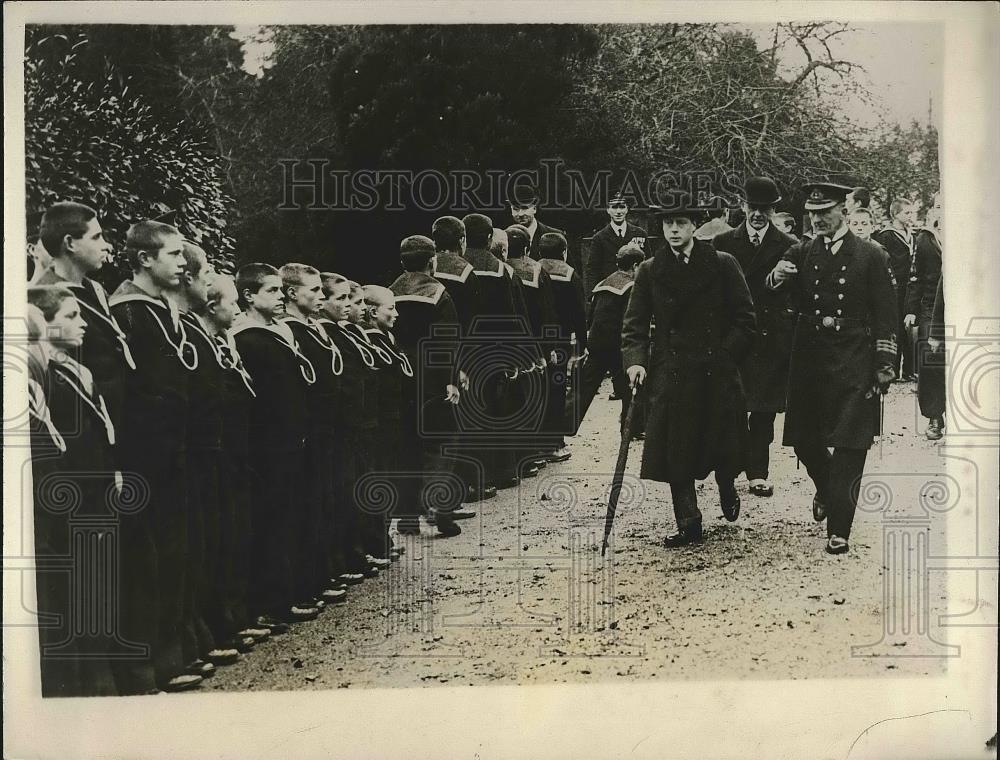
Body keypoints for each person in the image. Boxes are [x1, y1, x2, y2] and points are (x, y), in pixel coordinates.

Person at [767, 181, 898, 556]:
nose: (818, 219)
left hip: (854, 354)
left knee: (850, 442)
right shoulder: (802, 250)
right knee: (805, 438)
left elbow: (886, 312)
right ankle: (826, 488)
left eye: (825, 212)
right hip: (809, 356)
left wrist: (885, 361)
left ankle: (840, 528)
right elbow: (772, 290)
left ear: (843, 210)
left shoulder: (872, 254)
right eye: (812, 213)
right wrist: (778, 277)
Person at [622, 194, 755, 548]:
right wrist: (635, 360)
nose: (674, 230)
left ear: (694, 226)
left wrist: (726, 355)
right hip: (673, 370)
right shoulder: (651, 270)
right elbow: (634, 325)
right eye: (668, 224)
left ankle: (727, 487)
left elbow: (746, 319)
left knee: (723, 443)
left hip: (716, 369)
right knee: (674, 447)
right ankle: (688, 521)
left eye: (681, 223)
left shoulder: (723, 263)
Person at [109, 220, 200, 693]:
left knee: (172, 553)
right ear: (144, 258)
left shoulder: (167, 310)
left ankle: (170, 656)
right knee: (142, 561)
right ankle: (139, 665)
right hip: (141, 459)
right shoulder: (126, 312)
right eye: (173, 253)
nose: (183, 262)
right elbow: (121, 394)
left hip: (173, 454)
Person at [28, 285, 121, 697]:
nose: (82, 322)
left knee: (97, 581)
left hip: (96, 491)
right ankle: (84, 683)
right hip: (71, 496)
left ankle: (101, 675)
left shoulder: (75, 369)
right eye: (70, 316)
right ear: (44, 326)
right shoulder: (43, 377)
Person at [231, 263, 319, 628]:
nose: (280, 297)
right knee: (270, 521)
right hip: (267, 445)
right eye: (271, 291)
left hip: (291, 440)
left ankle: (290, 592)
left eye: (282, 290)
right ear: (249, 295)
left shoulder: (279, 331)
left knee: (290, 517)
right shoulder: (246, 337)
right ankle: (270, 602)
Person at [712, 176, 797, 498]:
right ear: (743, 206)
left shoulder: (789, 243)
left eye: (765, 208)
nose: (758, 214)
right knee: (731, 404)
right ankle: (731, 468)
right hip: (734, 335)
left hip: (771, 336)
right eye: (753, 207)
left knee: (763, 410)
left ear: (773, 210)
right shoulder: (722, 242)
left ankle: (758, 473)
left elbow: (794, 292)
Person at [198, 272, 266, 657]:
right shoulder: (206, 344)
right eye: (233, 302)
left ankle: (236, 617)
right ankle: (222, 624)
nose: (238, 309)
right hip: (219, 455)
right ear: (212, 306)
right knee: (220, 539)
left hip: (239, 454)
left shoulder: (225, 342)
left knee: (238, 533)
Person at [280, 263, 354, 608]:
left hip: (331, 428)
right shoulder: (290, 330)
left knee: (328, 498)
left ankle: (327, 569)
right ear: (292, 293)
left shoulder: (313, 328)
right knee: (311, 504)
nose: (320, 297)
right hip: (312, 431)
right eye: (313, 290)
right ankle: (311, 578)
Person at [388, 237, 466, 536]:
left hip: (401, 373)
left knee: (407, 444)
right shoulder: (439, 293)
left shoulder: (391, 291)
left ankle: (407, 516)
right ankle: (439, 507)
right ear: (432, 261)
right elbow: (448, 340)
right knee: (442, 443)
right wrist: (451, 379)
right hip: (433, 376)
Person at [34, 202, 132, 424]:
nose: (106, 246)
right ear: (70, 243)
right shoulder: (46, 301)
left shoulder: (94, 290)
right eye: (96, 237)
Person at [317, 274, 387, 577]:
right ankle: (351, 555)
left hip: (362, 421)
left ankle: (364, 548)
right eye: (342, 299)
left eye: (352, 299)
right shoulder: (326, 333)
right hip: (345, 426)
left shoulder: (346, 332)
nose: (348, 306)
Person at [174, 242, 221, 677]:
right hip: (180, 455)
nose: (208, 280)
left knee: (199, 544)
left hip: (202, 451)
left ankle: (197, 633)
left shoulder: (187, 324)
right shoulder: (171, 324)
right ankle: (181, 644)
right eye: (204, 272)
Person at [460, 213, 527, 490]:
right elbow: (509, 316)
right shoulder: (499, 269)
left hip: (458, 349)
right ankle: (501, 472)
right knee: (497, 410)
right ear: (490, 239)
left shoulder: (449, 266)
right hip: (491, 350)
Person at [568, 242, 644, 435]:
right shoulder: (631, 286)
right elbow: (629, 318)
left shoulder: (603, 283)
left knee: (583, 388)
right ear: (635, 265)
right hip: (617, 345)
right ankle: (631, 428)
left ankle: (564, 424)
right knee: (629, 388)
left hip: (597, 343)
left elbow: (591, 313)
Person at [538, 232, 588, 463]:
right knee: (557, 391)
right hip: (560, 340)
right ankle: (554, 443)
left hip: (536, 340)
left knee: (538, 390)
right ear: (564, 252)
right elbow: (579, 312)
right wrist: (583, 341)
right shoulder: (570, 275)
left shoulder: (532, 269)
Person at [906, 201, 945, 439]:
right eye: (938, 206)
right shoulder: (925, 238)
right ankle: (934, 416)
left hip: (959, 303)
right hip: (930, 305)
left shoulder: (967, 230)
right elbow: (915, 277)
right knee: (930, 359)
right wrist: (911, 309)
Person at [873, 199, 916, 381]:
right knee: (896, 326)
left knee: (909, 327)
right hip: (895, 287)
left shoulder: (912, 235)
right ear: (895, 214)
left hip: (910, 287)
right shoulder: (886, 236)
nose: (910, 216)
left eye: (911, 213)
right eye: (906, 213)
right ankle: (894, 369)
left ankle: (909, 370)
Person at [584, 192, 648, 299]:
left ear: (627, 209)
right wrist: (592, 295)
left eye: (622, 207)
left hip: (635, 291)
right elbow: (593, 268)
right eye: (614, 207)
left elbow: (647, 264)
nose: (618, 211)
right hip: (610, 292)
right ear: (608, 210)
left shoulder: (639, 233)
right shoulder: (599, 238)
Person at [509, 184, 566, 262]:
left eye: (525, 208)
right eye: (516, 209)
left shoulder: (555, 235)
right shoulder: (505, 236)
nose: (520, 214)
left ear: (534, 208)